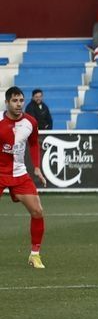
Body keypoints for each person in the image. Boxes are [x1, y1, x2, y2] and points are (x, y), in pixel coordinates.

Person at [1, 87, 47, 269]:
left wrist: (36, 167)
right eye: (14, 101)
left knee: (37, 211)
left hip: (19, 173)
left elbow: (34, 143)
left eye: (21, 100)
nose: (18, 104)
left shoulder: (31, 122)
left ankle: (34, 255)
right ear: (7, 102)